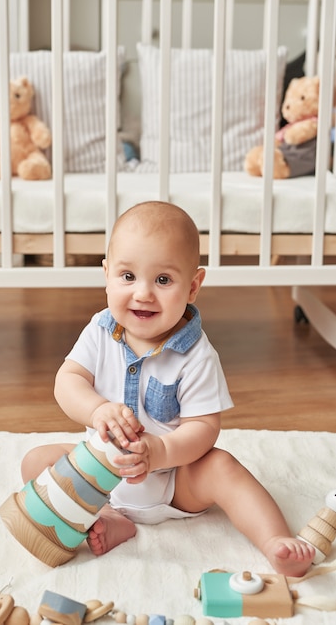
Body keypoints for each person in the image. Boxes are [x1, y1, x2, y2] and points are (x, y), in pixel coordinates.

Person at [21, 200, 314, 576]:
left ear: (193, 286)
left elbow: (204, 428)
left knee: (223, 467)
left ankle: (275, 541)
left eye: (163, 280)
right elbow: (68, 381)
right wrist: (96, 410)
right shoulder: (99, 330)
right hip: (99, 475)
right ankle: (108, 517)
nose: (143, 293)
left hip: (175, 482)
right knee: (35, 461)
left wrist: (159, 452)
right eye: (128, 277)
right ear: (107, 274)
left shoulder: (196, 354)